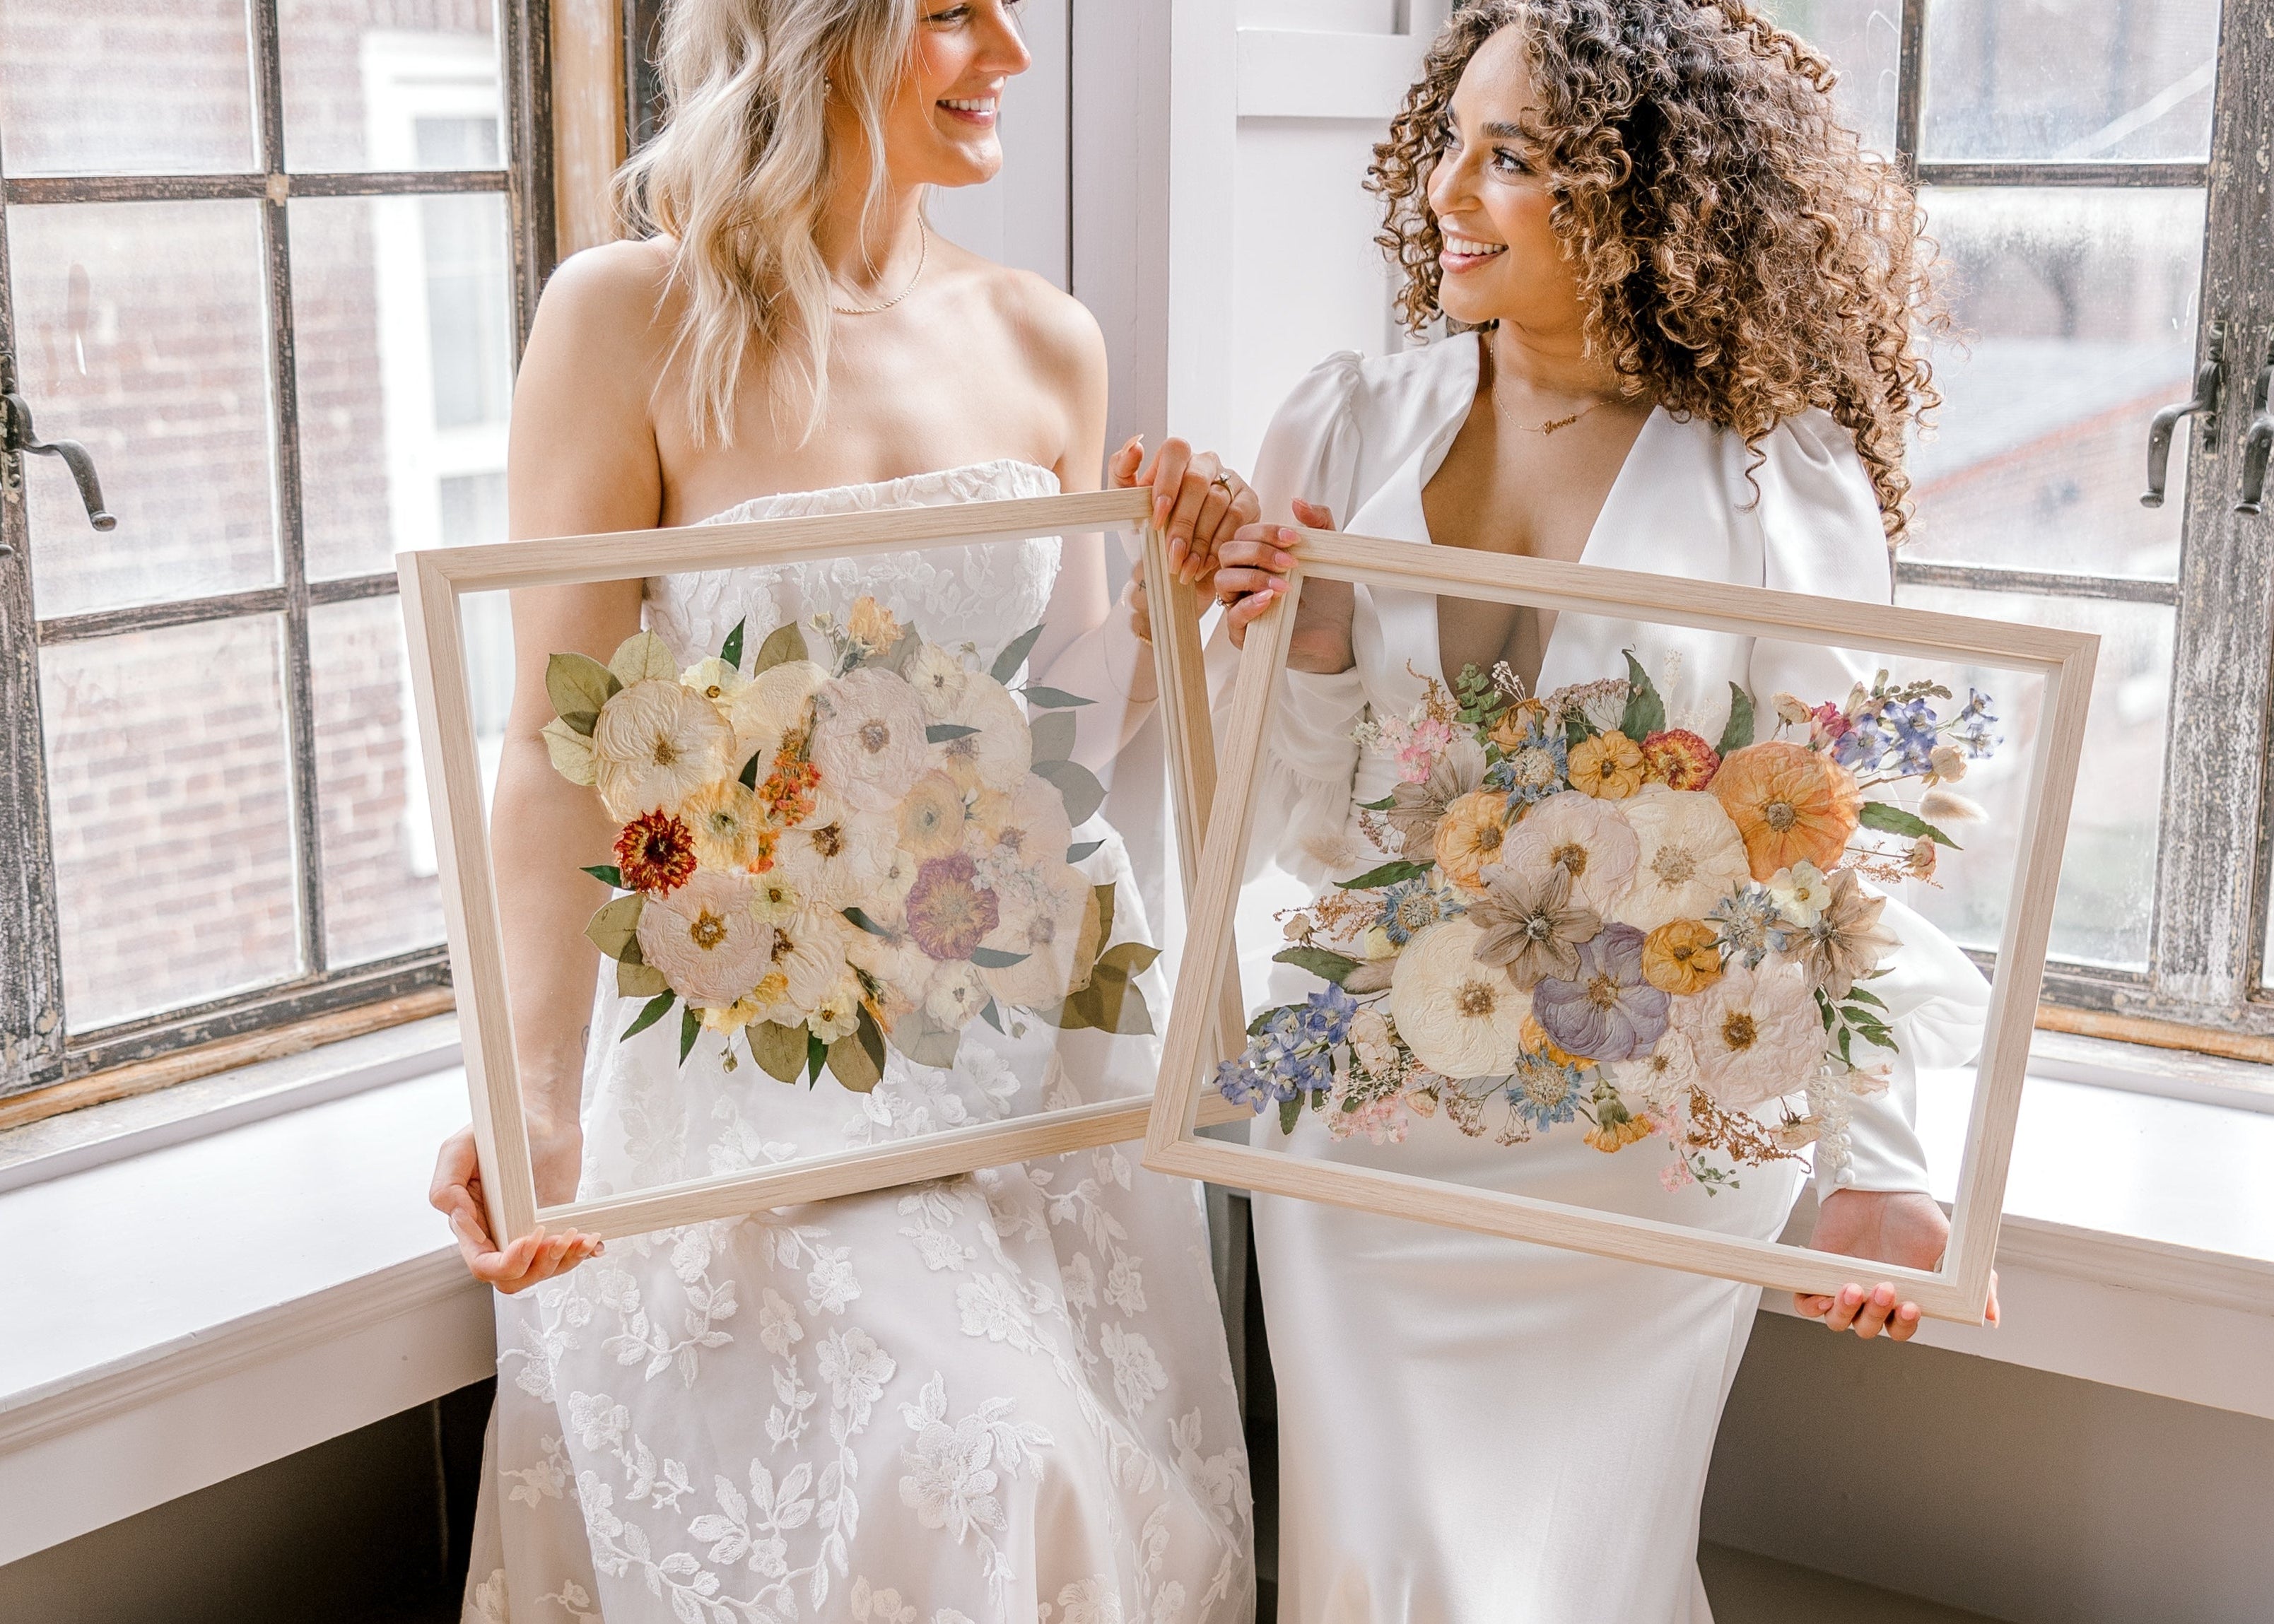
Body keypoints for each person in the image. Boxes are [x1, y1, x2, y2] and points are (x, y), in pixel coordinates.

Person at [426, 3, 1255, 1616]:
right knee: (996, 1467)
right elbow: (555, 745)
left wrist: (1174, 602)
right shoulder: (624, 320)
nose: (1010, 55)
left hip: (1012, 1061)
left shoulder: (1045, 338)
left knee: (1074, 1485)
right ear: (809, 35)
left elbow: (1052, 733)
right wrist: (529, 1099)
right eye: (953, 14)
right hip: (755, 1076)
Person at [1208, 4, 1997, 1618]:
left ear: (1645, 201)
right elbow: (1299, 829)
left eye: (1511, 161)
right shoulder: (1345, 421)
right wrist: (1302, 642)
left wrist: (1885, 1162)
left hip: (1647, 1134)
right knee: (1381, 1554)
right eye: (1449, 144)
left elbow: (1829, 833)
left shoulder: (1779, 478)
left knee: (1566, 1570)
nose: (1445, 194)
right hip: (1364, 1097)